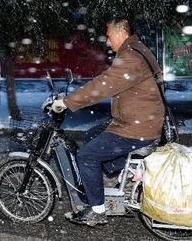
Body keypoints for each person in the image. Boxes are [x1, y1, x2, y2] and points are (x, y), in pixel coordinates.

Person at [51, 18, 164, 226]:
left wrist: (67, 102)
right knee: (92, 134)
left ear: (121, 33)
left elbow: (104, 85)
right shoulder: (138, 49)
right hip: (140, 119)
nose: (108, 42)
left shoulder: (131, 57)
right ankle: (125, 176)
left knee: (86, 156)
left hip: (137, 126)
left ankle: (97, 211)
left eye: (109, 36)